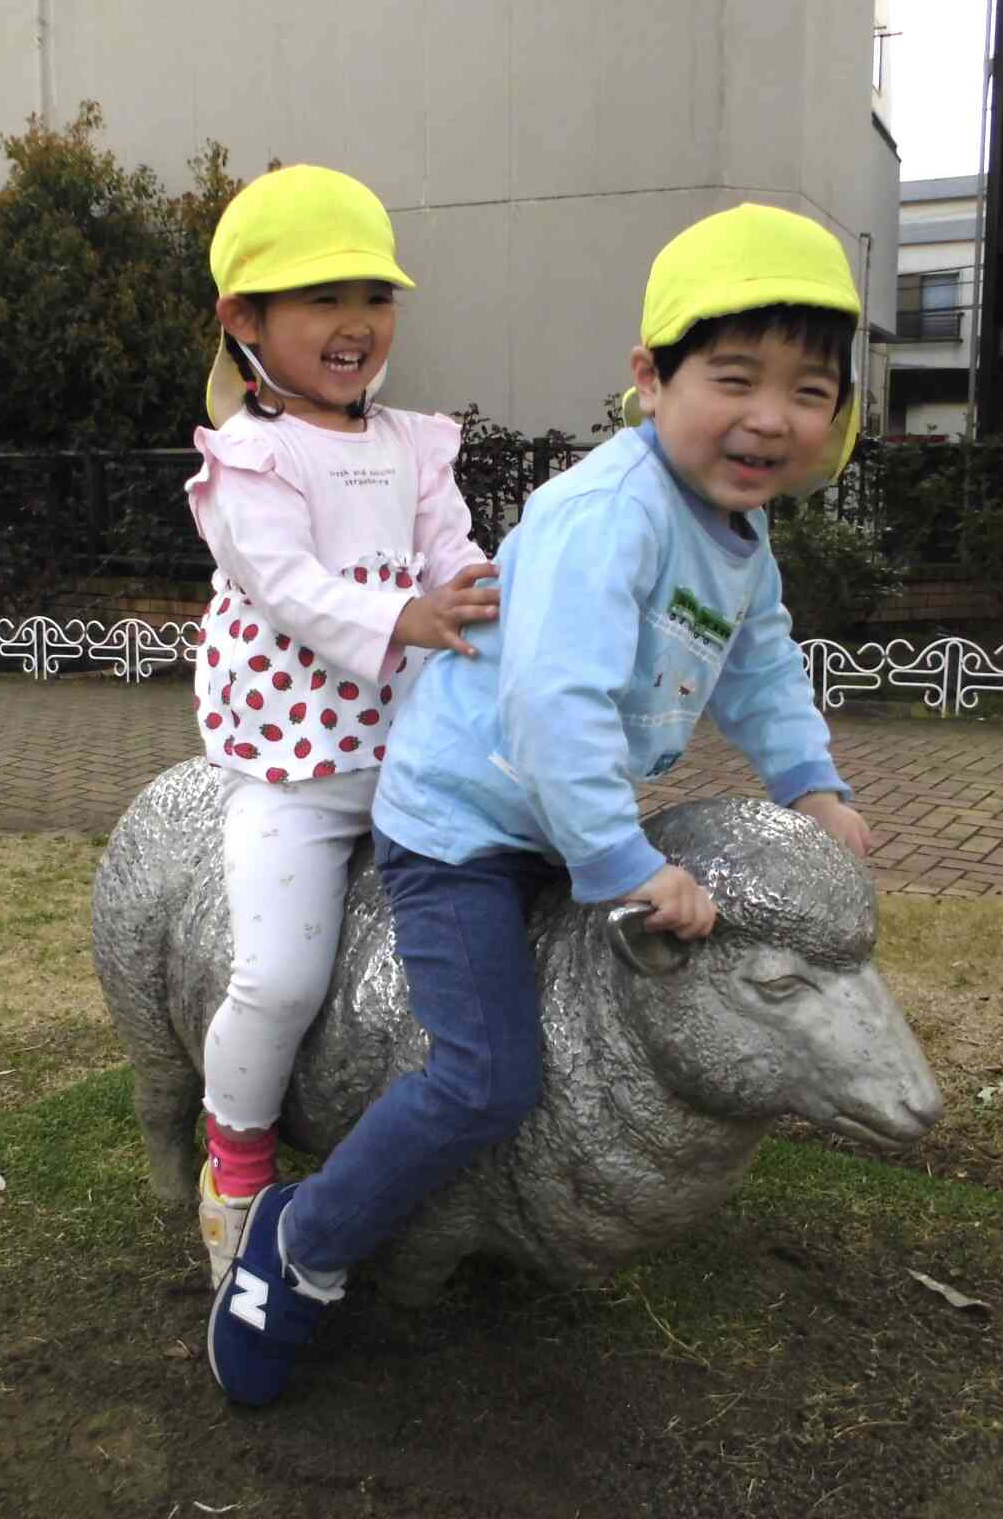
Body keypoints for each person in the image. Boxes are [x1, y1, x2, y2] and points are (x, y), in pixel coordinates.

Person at [205, 202, 874, 1406]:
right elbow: (551, 709)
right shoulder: (603, 516)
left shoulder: (734, 529)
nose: (771, 416)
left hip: (556, 820)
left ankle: (526, 1202)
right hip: (464, 826)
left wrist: (809, 783)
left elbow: (762, 661)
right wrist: (617, 864)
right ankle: (300, 1242)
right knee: (486, 1075)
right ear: (649, 378)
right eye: (734, 377)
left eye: (809, 389)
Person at [184, 165, 500, 1293]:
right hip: (297, 771)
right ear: (244, 321)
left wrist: (483, 588)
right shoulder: (248, 461)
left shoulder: (414, 444)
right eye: (320, 298)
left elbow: (449, 548)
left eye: (374, 295)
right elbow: (288, 590)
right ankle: (235, 1163)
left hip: (419, 759)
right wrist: (405, 615)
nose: (355, 323)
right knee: (276, 979)